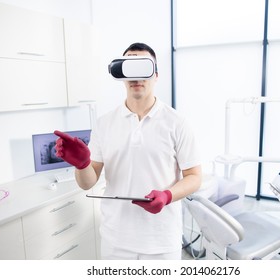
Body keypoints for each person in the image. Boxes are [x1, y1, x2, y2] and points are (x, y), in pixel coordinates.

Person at [54, 42, 202, 260]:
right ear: (121, 73)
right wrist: (82, 164)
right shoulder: (104, 123)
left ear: (156, 75)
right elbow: (87, 183)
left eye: (143, 67)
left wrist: (167, 195)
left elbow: (195, 177)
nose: (137, 77)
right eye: (129, 67)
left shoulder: (177, 122)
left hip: (161, 241)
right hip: (115, 241)